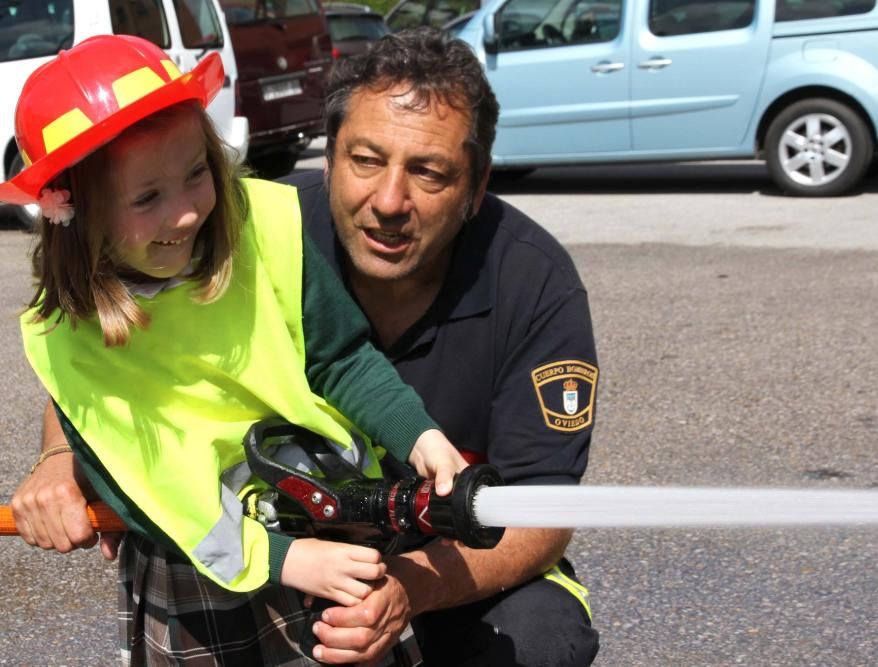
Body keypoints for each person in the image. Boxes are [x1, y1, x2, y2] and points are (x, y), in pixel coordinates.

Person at [15, 27, 602, 665]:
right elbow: (91, 378)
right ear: (327, 157)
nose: (389, 201)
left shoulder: (532, 282)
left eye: (430, 172)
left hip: (425, 555)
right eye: (366, 159)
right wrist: (57, 459)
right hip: (252, 553)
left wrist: (407, 579)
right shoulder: (261, 223)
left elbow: (540, 512)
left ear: (477, 183)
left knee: (540, 638)